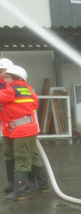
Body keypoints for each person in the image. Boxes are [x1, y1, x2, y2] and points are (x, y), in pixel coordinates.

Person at [1, 65, 49, 200]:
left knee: (21, 159)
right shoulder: (27, 90)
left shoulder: (11, 90)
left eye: (7, 77)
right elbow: (33, 105)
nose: (5, 80)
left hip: (20, 131)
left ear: (16, 78)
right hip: (29, 129)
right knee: (32, 158)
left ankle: (20, 191)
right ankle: (43, 185)